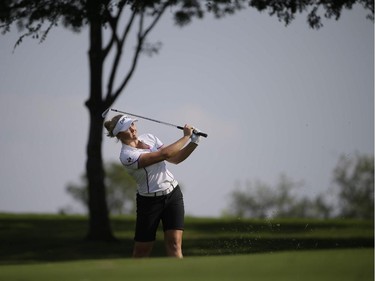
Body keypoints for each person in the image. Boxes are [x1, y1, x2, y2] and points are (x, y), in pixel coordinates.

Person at [104, 114, 201, 258]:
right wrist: (186, 137)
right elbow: (165, 154)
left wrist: (194, 142)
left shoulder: (150, 137)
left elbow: (175, 158)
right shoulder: (127, 156)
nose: (132, 128)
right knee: (142, 250)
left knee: (175, 243)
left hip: (173, 194)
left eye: (132, 124)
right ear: (119, 134)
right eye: (127, 127)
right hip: (149, 203)